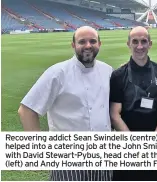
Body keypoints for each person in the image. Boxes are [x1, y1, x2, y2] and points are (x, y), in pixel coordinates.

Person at [18, 26, 113, 181]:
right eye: (82, 41)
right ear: (73, 45)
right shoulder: (57, 73)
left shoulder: (108, 71)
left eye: (92, 41)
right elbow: (27, 110)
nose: (88, 45)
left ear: (99, 44)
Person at [109, 26, 157, 181]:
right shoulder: (118, 75)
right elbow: (114, 114)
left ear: (150, 43)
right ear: (128, 44)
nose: (140, 46)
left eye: (144, 41)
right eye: (135, 41)